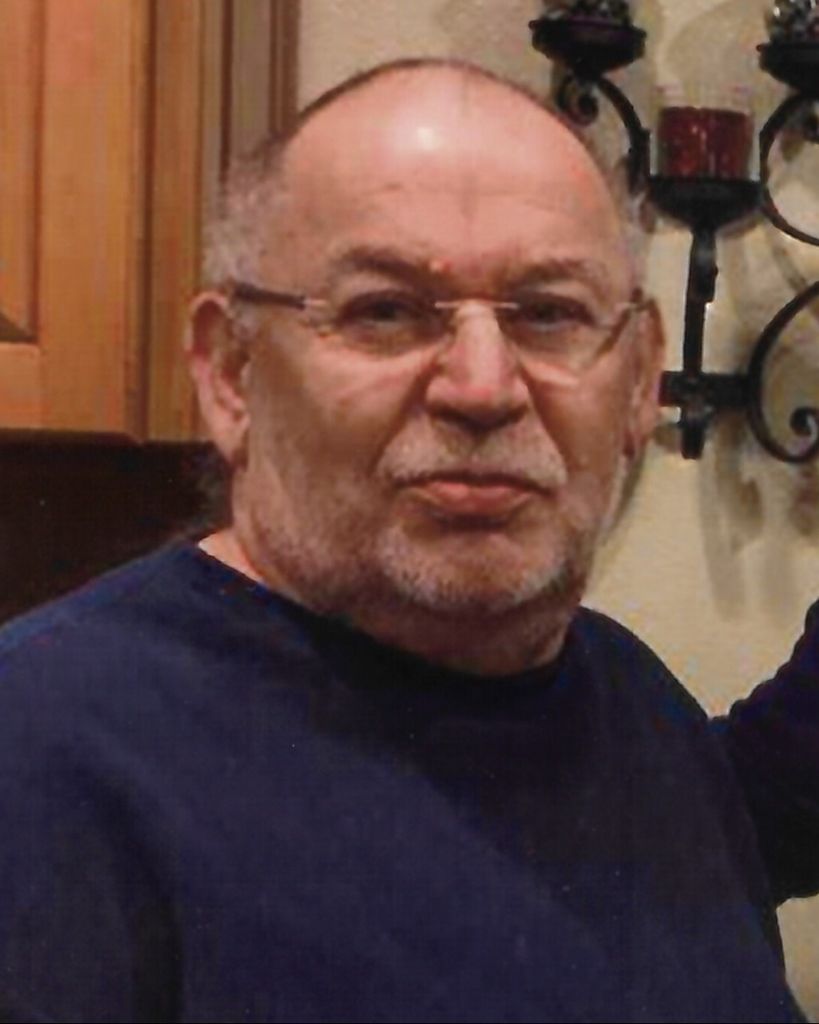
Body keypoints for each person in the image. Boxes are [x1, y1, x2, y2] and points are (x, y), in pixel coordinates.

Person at [0, 58, 812, 1023]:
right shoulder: (44, 758)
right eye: (383, 311)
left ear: (639, 383)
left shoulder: (636, 704)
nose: (482, 386)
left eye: (549, 314)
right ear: (229, 374)